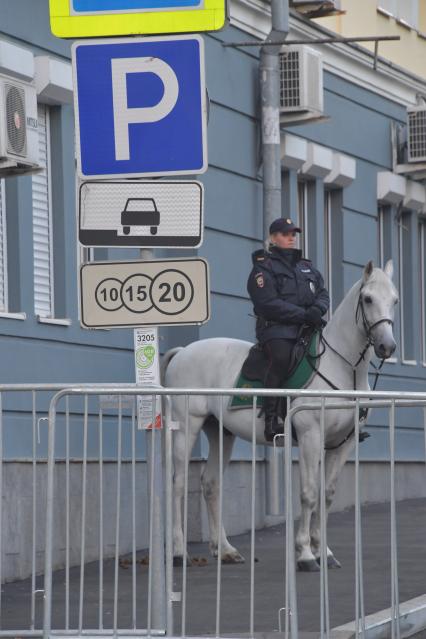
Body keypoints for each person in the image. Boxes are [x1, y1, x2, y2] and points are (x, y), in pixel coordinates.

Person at [247, 217, 330, 441]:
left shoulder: (306, 266)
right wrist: (304, 315)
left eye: (293, 234)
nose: (291, 238)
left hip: (308, 327)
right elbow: (267, 303)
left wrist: (318, 309)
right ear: (273, 238)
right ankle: (272, 419)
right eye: (285, 234)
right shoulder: (263, 268)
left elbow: (322, 292)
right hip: (276, 330)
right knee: (281, 358)